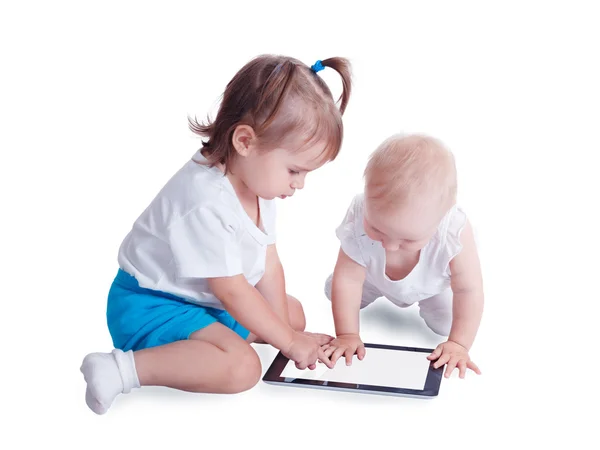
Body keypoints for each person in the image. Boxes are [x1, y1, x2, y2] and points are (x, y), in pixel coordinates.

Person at [80, 54, 352, 414]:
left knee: (293, 313)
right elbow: (232, 289)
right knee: (243, 367)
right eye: (294, 170)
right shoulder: (204, 199)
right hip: (150, 307)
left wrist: (289, 331)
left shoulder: (256, 180)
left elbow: (269, 264)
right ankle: (120, 369)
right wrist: (288, 342)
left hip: (202, 301)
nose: (299, 185)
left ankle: (209, 346)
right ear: (245, 141)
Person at [323, 133, 483, 379]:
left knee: (445, 323)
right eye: (376, 229)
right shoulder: (359, 212)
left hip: (430, 286)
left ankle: (434, 312)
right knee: (336, 288)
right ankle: (368, 295)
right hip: (372, 277)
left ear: (441, 218)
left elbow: (469, 290)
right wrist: (347, 335)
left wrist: (459, 344)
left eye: (408, 240)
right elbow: (349, 279)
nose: (390, 245)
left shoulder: (453, 230)